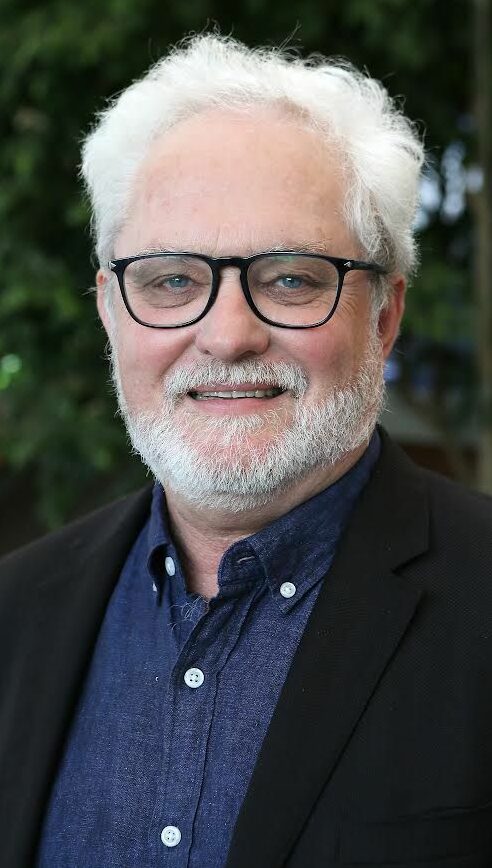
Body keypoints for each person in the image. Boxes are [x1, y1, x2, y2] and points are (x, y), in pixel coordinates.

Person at [1, 33, 491, 868]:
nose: (228, 336)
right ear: (111, 312)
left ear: (384, 315)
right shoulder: (14, 612)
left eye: (291, 278)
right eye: (172, 280)